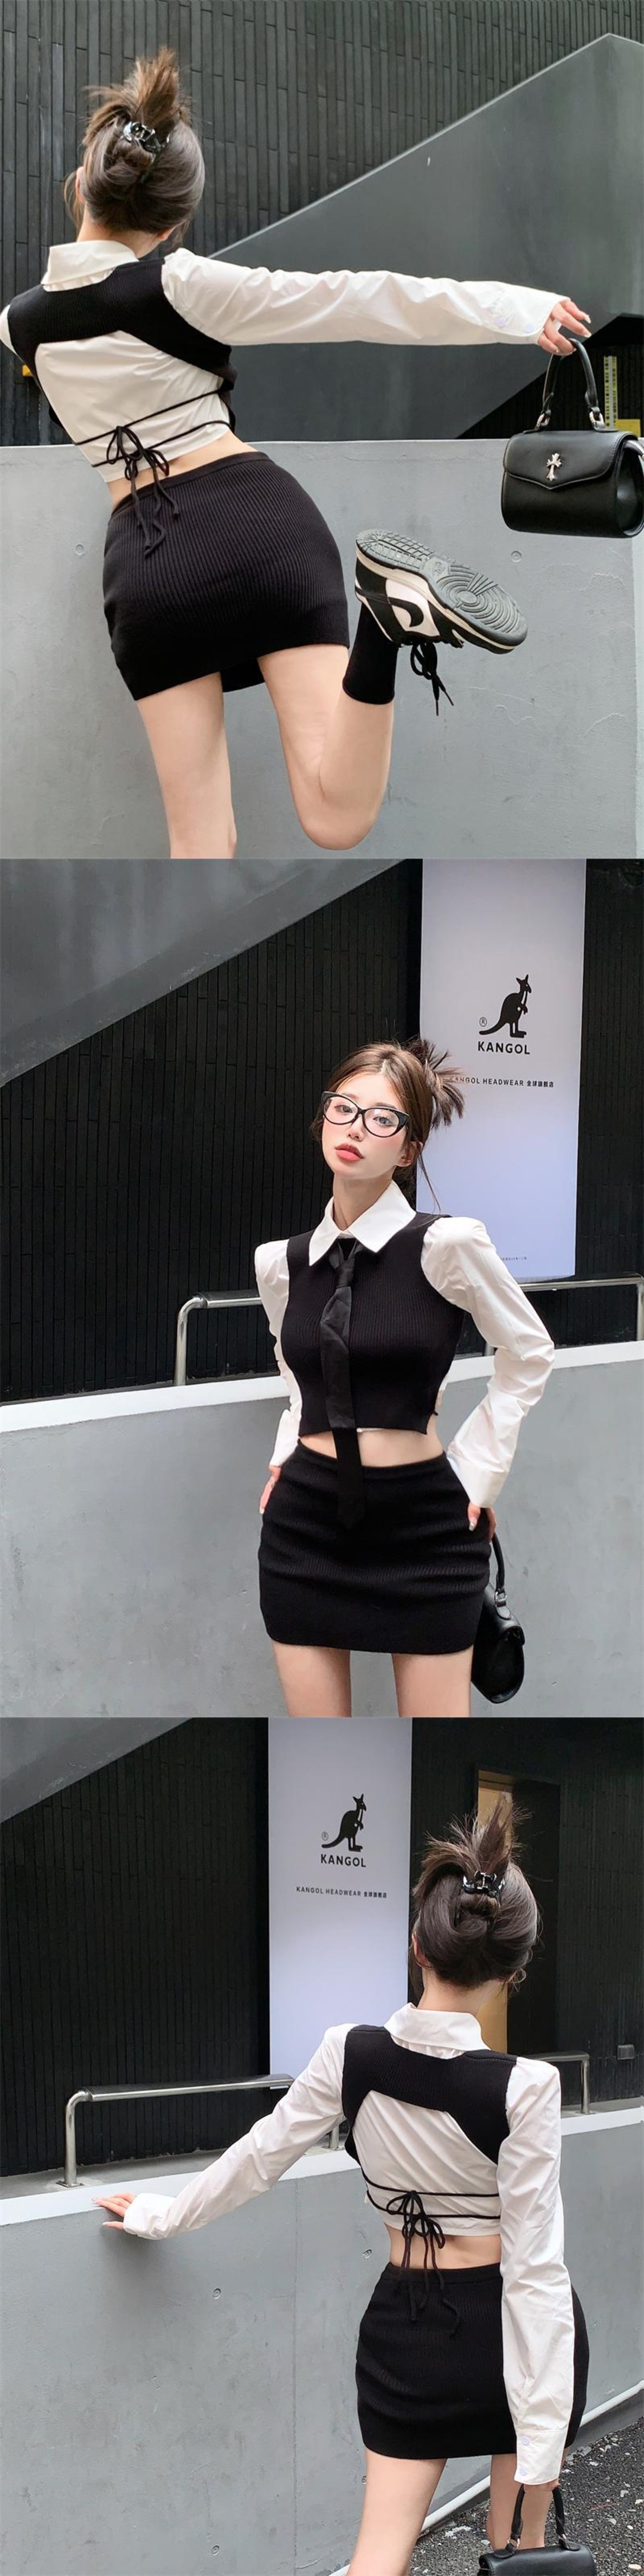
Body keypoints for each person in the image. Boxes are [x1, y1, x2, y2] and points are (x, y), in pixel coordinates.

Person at [0, 50, 591, 859]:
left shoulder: (19, 326)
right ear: (171, 224)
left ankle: (384, 622)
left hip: (147, 564)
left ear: (84, 183)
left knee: (199, 840)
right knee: (335, 818)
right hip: (259, 527)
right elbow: (358, 298)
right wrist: (516, 311)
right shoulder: (181, 284)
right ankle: (383, 624)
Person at [95, 1803, 589, 2576]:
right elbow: (535, 2269)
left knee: (375, 2560)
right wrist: (544, 2429)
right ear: (511, 1971)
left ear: (418, 1944)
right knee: (521, 2556)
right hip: (513, 2335)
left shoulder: (348, 2052)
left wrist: (160, 2214)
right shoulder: (527, 2085)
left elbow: (259, 2157)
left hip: (407, 2329)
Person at [254, 1037, 554, 1718]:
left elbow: (529, 1352)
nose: (355, 1128)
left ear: (409, 1149)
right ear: (323, 1118)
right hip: (305, 1526)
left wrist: (476, 1471)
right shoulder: (280, 1263)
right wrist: (284, 1450)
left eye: (381, 1118)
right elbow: (295, 1372)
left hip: (426, 1528)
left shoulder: (448, 1244)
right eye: (343, 1108)